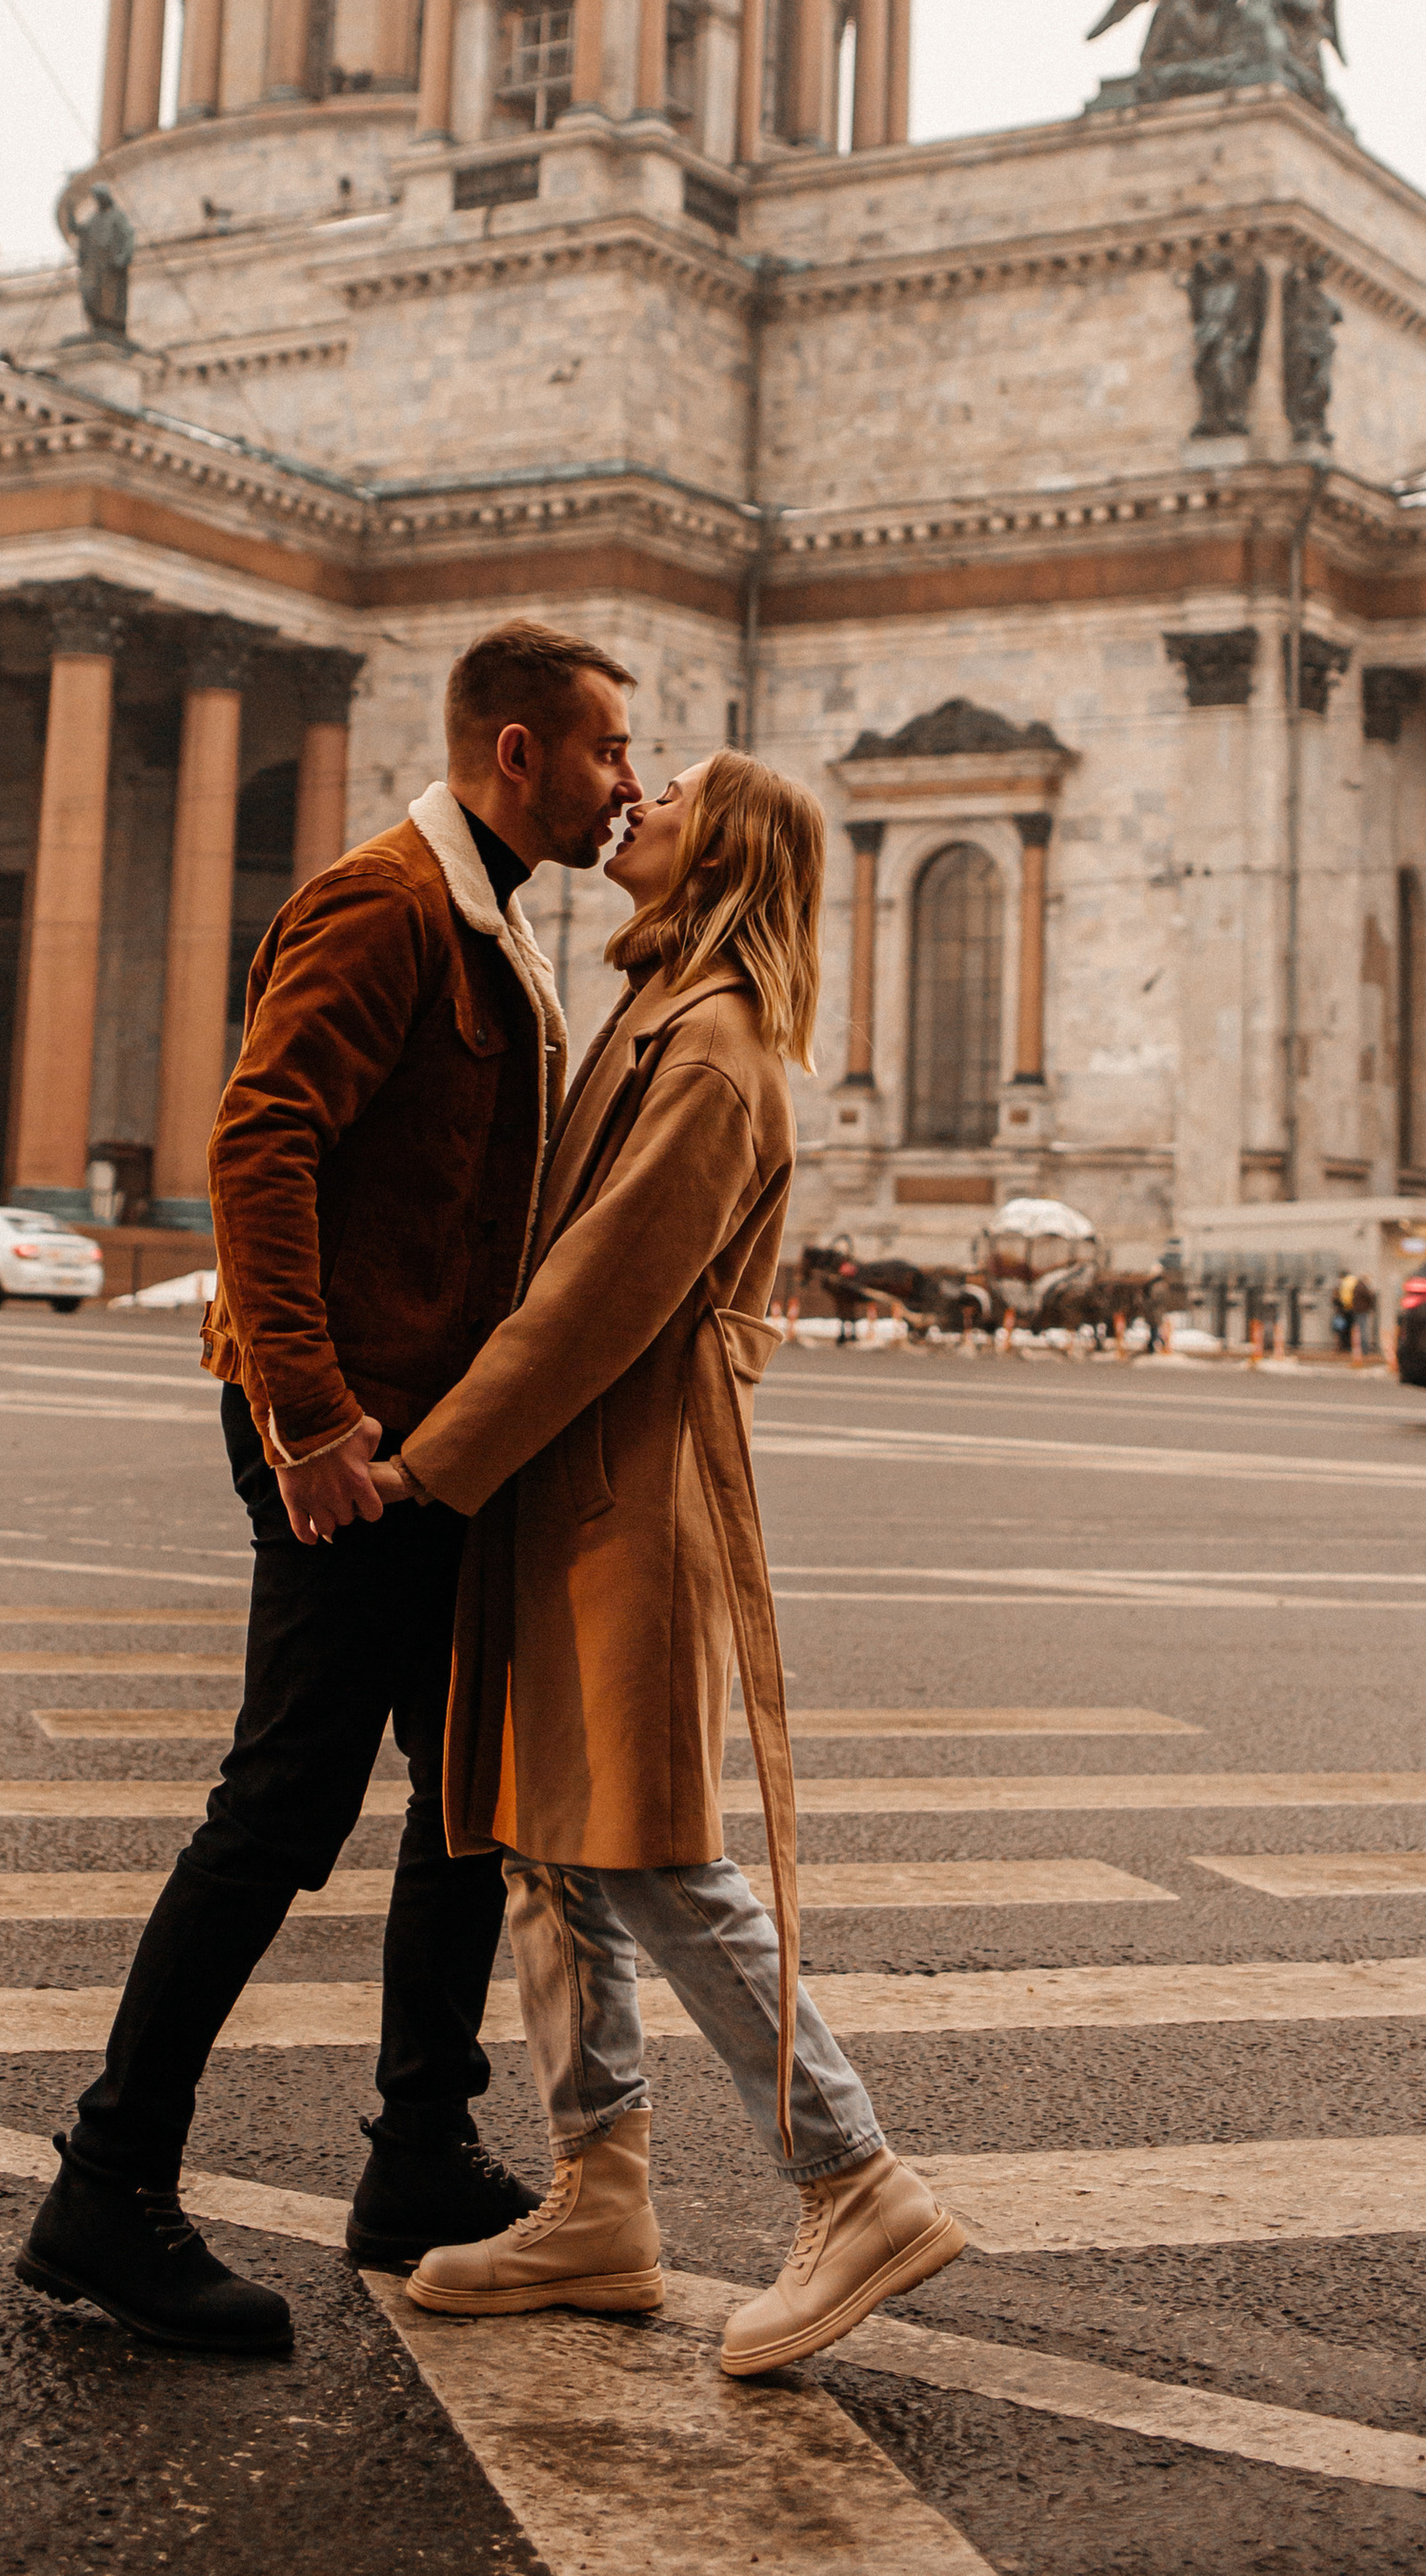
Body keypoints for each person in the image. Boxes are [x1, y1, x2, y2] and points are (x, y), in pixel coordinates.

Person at [15, 624, 641, 2355]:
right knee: (285, 1801)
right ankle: (108, 2183)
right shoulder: (388, 906)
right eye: (605, 751)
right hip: (348, 1432)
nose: (625, 783)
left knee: (465, 1799)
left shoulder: (487, 912)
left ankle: (420, 2152)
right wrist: (307, 1417)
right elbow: (259, 1140)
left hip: (423, 1435)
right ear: (516, 752)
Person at [373, 753, 966, 2375]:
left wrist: (429, 1466)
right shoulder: (651, 1010)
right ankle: (600, 2197)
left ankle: (855, 2179)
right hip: (567, 1486)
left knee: (646, 1851)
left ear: (727, 857)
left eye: (683, 790)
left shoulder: (711, 1046)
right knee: (549, 1849)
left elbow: (597, 1298)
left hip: (627, 1494)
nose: (641, 796)